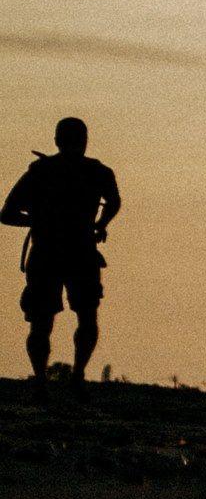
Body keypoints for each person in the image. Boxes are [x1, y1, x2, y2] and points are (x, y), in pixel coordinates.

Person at [5, 116, 121, 385]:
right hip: (56, 253)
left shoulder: (91, 172)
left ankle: (59, 376)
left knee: (70, 319)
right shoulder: (47, 172)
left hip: (70, 253)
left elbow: (114, 202)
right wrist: (40, 221)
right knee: (49, 321)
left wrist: (101, 223)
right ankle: (50, 377)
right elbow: (7, 213)